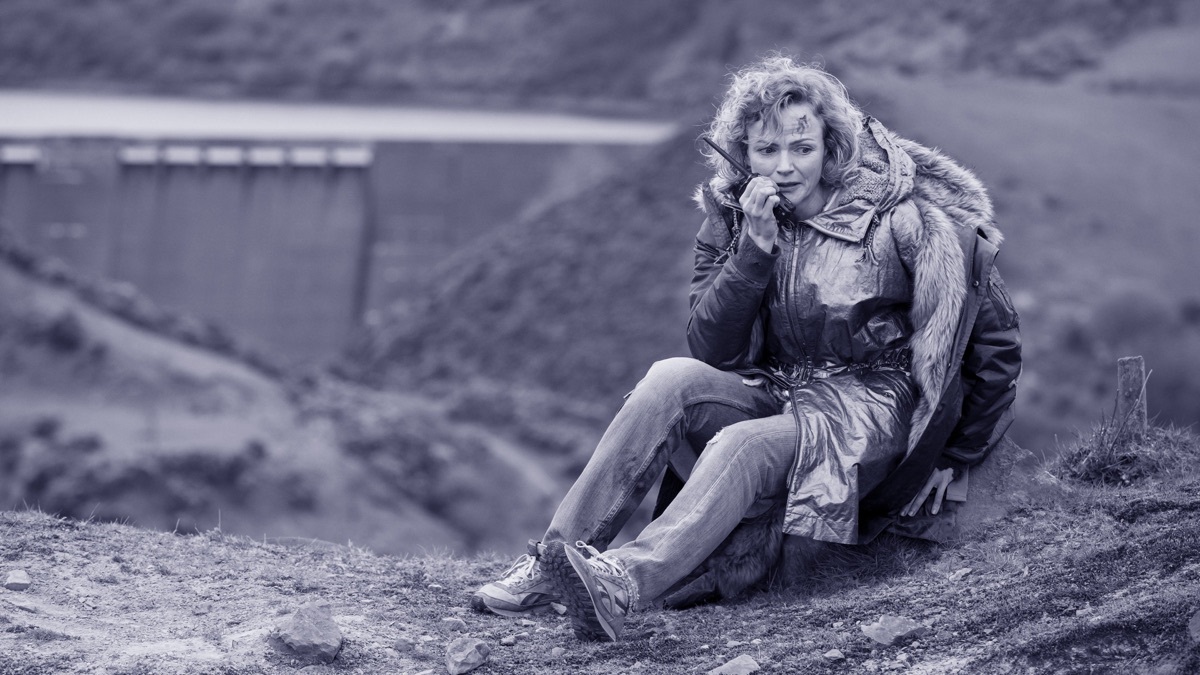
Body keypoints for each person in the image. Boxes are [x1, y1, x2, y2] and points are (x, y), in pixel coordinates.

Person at [471, 55, 1021, 642]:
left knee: (744, 443)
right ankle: (553, 563)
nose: (784, 167)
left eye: (801, 149)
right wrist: (754, 253)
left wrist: (957, 457)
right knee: (669, 378)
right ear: (743, 152)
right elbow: (713, 347)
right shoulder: (734, 219)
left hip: (872, 405)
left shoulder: (905, 217)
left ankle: (621, 584)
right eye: (766, 151)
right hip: (784, 391)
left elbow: (994, 341)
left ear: (832, 145)